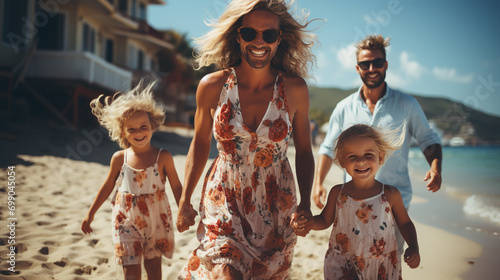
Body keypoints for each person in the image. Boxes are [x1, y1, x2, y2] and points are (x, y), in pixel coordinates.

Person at [176, 0, 317, 279]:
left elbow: (303, 150)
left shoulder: (295, 89)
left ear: (280, 39)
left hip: (276, 198)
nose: (259, 41)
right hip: (224, 192)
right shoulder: (212, 86)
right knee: (224, 269)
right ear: (237, 36)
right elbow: (200, 144)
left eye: (269, 34)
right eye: (250, 33)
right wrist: (184, 200)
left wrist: (305, 204)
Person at [313, 34, 442, 254]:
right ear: (357, 68)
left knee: (387, 261)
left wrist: (435, 168)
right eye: (365, 64)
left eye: (377, 62)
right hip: (352, 201)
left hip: (394, 203)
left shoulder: (407, 104)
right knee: (353, 258)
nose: (372, 68)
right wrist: (318, 184)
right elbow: (326, 148)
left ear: (386, 64)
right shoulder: (344, 108)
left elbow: (428, 139)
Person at [81, 82, 182, 280]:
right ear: (123, 132)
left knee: (154, 270)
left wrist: (183, 210)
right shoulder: (119, 158)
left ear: (153, 127)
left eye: (143, 127)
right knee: (131, 272)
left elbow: (176, 185)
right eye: (132, 129)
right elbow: (108, 185)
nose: (138, 133)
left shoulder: (163, 157)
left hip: (156, 221)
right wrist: (90, 213)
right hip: (125, 220)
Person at [293, 124, 420, 279]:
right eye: (352, 156)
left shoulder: (390, 194)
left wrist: (413, 246)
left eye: (368, 155)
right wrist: (309, 223)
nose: (361, 161)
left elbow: (405, 223)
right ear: (342, 161)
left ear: (380, 157)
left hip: (380, 266)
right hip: (343, 264)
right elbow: (325, 220)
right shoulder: (337, 192)